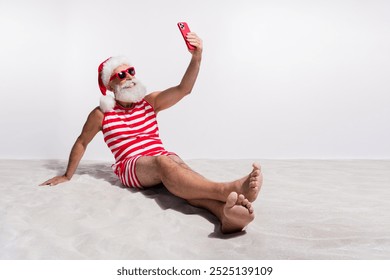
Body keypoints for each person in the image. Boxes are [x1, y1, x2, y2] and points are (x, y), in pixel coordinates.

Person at [40, 32, 263, 234]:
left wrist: (197, 57)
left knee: (179, 166)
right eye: (120, 75)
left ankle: (225, 216)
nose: (128, 76)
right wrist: (67, 175)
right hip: (131, 166)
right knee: (164, 162)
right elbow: (81, 142)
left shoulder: (150, 102)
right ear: (110, 85)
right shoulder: (101, 113)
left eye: (130, 71)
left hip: (162, 158)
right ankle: (226, 189)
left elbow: (184, 89)